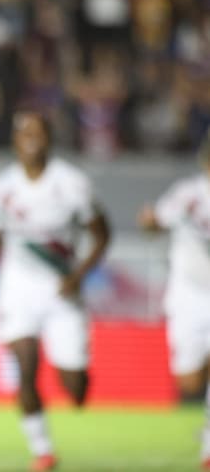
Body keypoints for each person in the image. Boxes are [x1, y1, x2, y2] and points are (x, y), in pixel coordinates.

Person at [0, 111, 110, 472]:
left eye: (39, 132)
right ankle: (43, 452)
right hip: (18, 289)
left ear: (50, 139)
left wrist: (80, 274)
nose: (31, 139)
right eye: (25, 133)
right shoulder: (0, 189)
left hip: (63, 291)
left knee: (75, 390)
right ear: (15, 142)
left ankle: (77, 377)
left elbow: (103, 234)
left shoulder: (72, 184)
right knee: (25, 369)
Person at [137, 135, 210, 470]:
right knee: (190, 382)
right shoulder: (186, 194)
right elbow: (157, 223)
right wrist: (149, 222)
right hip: (189, 295)